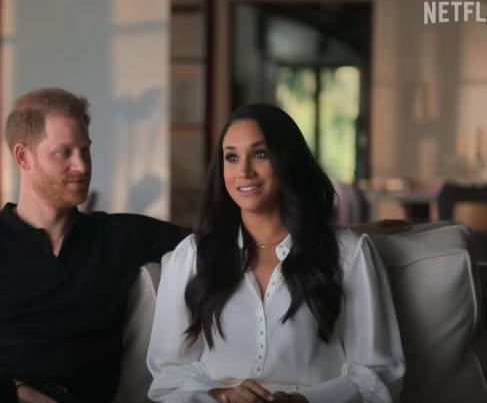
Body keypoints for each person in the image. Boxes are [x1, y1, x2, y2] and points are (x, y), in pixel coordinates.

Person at [0, 88, 190, 403]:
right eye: (64, 153)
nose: (82, 166)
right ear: (23, 156)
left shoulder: (118, 236)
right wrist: (19, 392)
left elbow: (216, 244)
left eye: (85, 151)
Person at [147, 104, 405, 403]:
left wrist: (304, 401)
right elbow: (167, 380)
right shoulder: (193, 256)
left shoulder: (348, 253)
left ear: (287, 160)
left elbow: (379, 376)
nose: (244, 171)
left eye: (260, 154)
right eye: (231, 157)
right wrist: (221, 396)